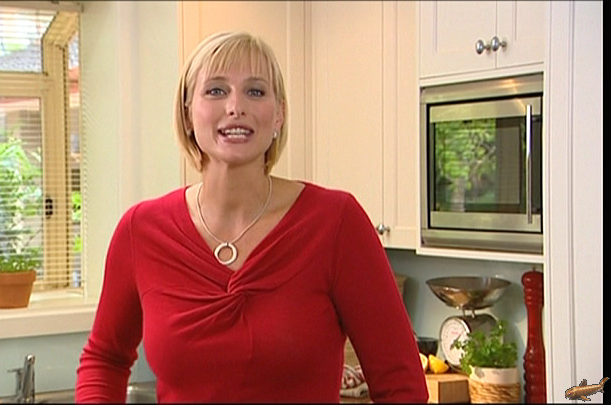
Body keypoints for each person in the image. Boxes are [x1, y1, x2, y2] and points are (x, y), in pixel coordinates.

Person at [75, 31, 428, 403]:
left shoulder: (336, 223)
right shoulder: (141, 230)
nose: (235, 106)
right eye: (215, 90)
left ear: (279, 115)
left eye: (255, 91)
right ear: (187, 113)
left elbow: (400, 381)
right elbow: (105, 359)